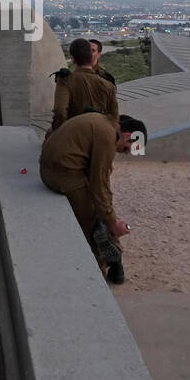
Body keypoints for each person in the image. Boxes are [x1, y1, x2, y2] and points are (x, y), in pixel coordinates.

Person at [38, 113, 146, 285]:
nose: (122, 153)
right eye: (126, 148)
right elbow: (100, 185)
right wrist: (112, 222)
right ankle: (106, 269)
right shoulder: (107, 137)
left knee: (101, 208)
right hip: (60, 176)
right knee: (96, 219)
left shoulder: (101, 121)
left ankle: (115, 263)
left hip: (49, 168)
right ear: (127, 136)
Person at [48, 37, 119, 137]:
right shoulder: (108, 84)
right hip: (100, 135)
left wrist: (61, 134)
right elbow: (114, 117)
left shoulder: (65, 81)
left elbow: (60, 112)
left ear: (72, 59)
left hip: (74, 135)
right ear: (91, 56)